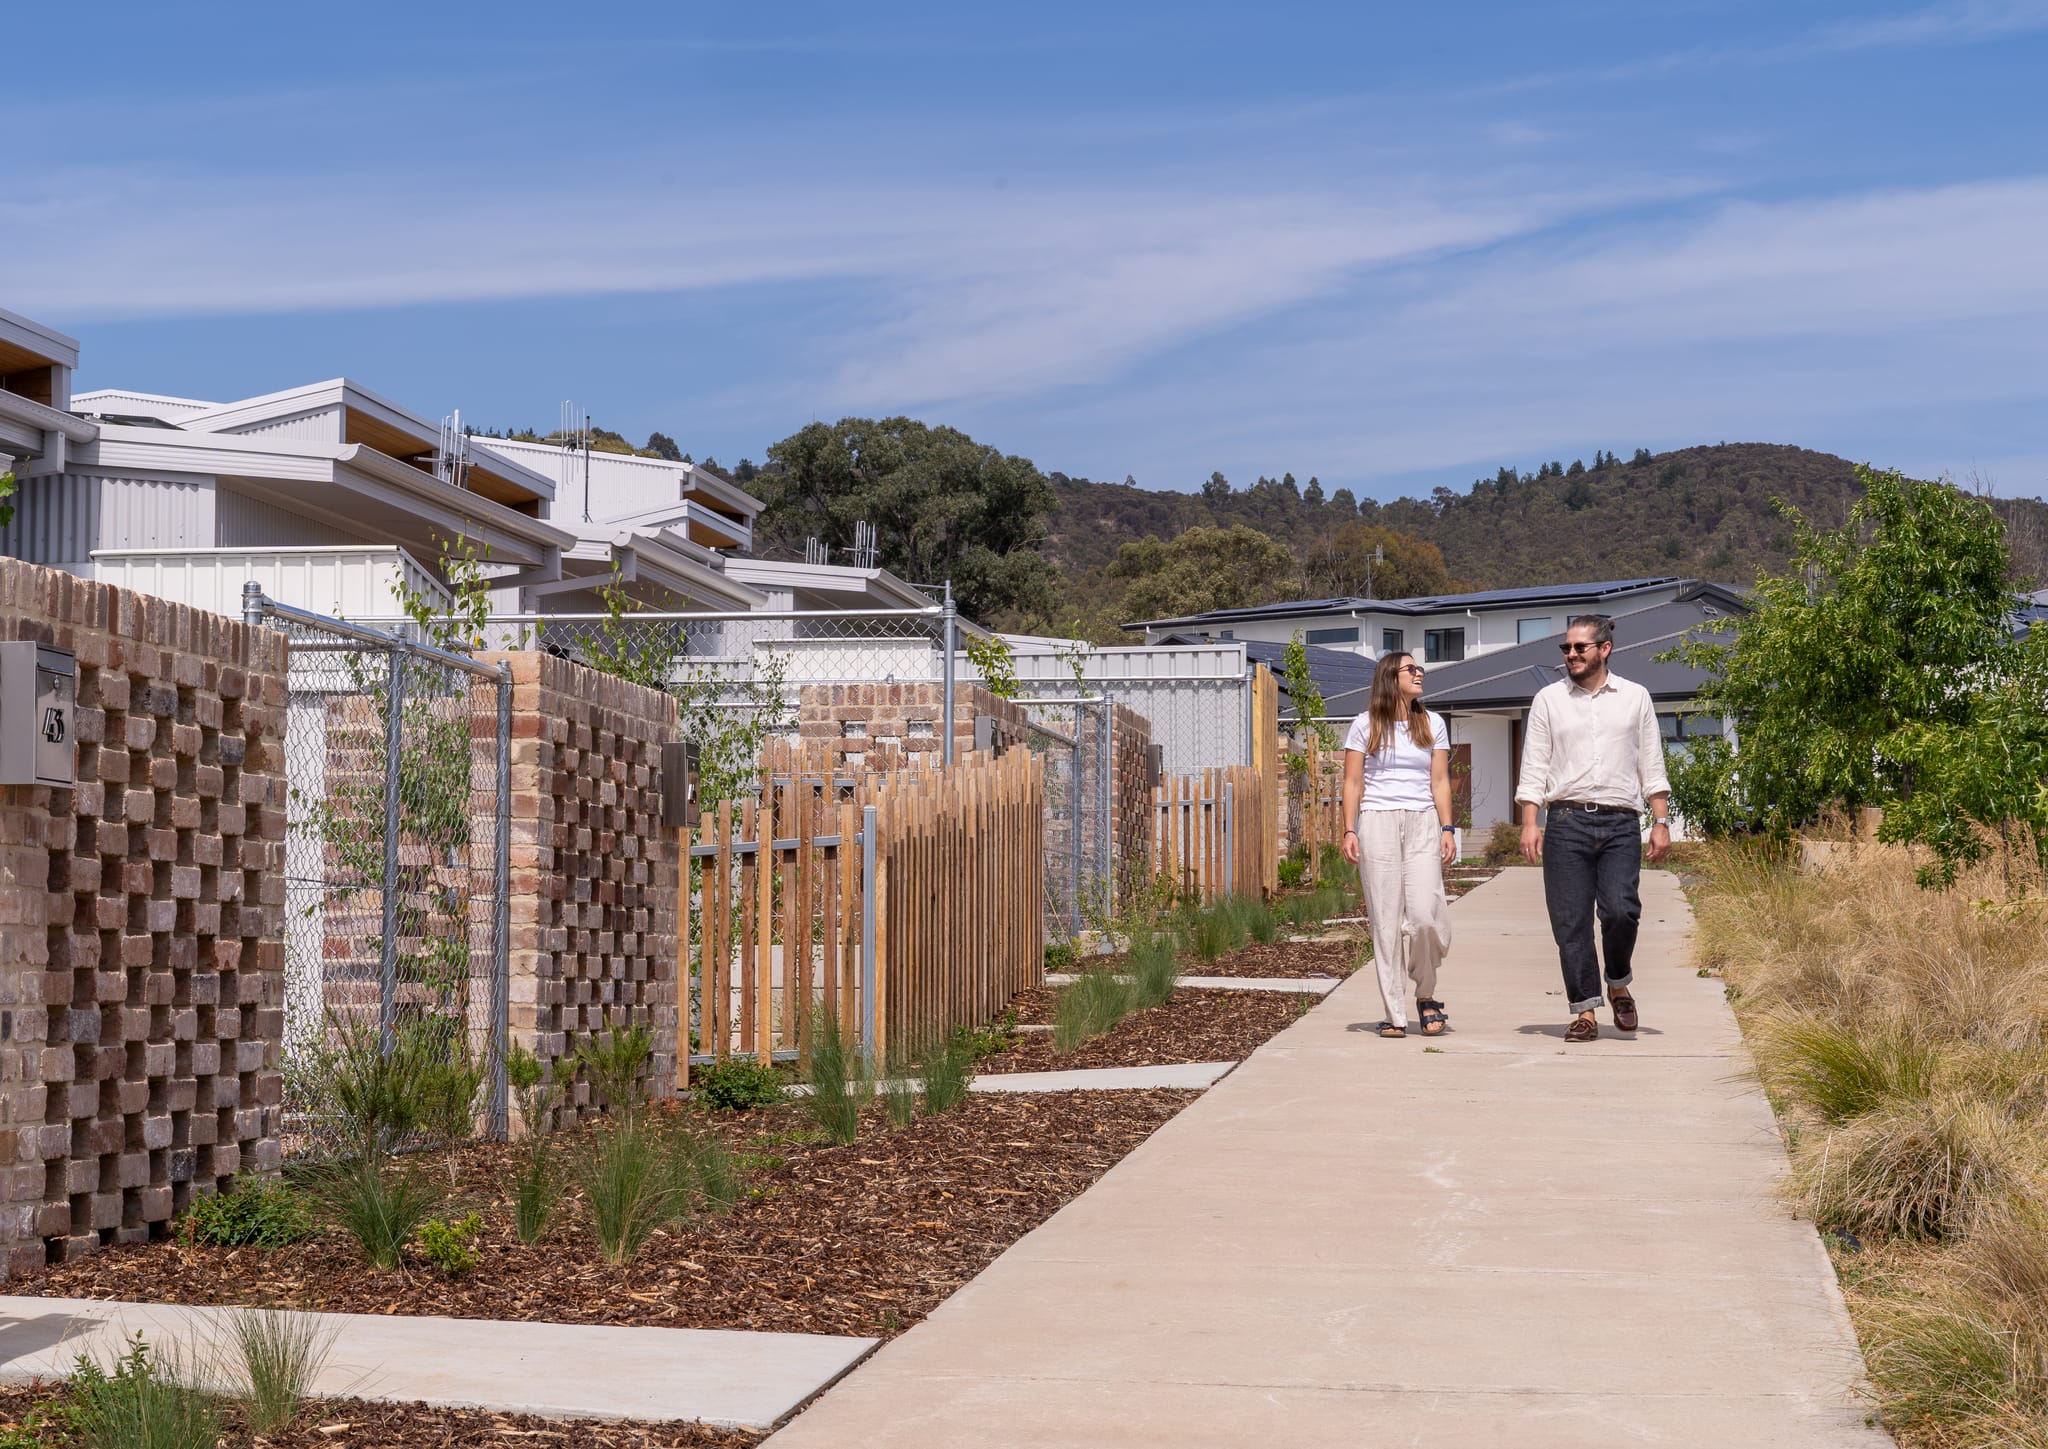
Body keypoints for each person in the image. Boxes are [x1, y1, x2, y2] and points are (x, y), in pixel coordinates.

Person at [1516, 614, 1673, 1043]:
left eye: (1579, 647)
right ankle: (1585, 1010)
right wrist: (1530, 822)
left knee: (1622, 910)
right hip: (1566, 822)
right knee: (1571, 922)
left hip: (1621, 822)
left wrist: (1660, 821)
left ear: (1604, 649)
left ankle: (1618, 981)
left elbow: (1651, 763)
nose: (1571, 655)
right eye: (1566, 648)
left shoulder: (1635, 697)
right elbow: (1534, 766)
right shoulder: (1548, 700)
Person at [1340, 651, 1457, 1038]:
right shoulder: (1365, 724)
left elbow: (1439, 781)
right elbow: (1352, 782)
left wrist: (1447, 828)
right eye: (1411, 669)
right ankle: (1394, 1013)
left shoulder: (1432, 723)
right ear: (1391, 677)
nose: (1419, 673)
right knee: (1386, 922)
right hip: (1377, 822)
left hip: (1423, 821)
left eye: (1419, 668)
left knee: (1425, 916)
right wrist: (1349, 829)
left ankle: (1426, 993)